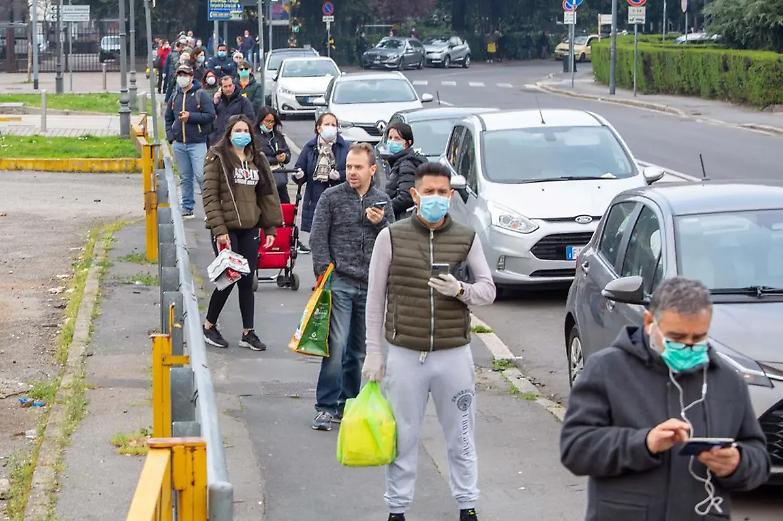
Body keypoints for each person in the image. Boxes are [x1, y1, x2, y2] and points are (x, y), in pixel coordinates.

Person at [560, 277, 770, 521]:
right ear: (650, 322)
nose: (689, 347)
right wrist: (645, 443)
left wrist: (737, 462)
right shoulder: (607, 370)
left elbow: (759, 459)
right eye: (677, 338)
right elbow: (575, 449)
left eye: (698, 338)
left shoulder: (726, 381)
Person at [362, 162, 496, 521]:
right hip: (405, 353)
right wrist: (374, 352)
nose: (436, 198)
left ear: (451, 196)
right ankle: (397, 509)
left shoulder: (466, 237)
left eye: (443, 192)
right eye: (429, 192)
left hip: (453, 354)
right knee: (402, 437)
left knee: (461, 437)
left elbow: (488, 290)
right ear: (415, 195)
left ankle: (468, 506)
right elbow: (375, 299)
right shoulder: (390, 236)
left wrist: (461, 289)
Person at [309, 143, 394, 430]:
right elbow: (318, 238)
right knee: (336, 343)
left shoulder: (382, 201)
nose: (352, 172)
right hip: (341, 281)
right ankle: (325, 405)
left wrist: (380, 224)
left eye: (358, 167)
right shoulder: (332, 197)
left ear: (372, 169)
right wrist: (324, 274)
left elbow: (393, 241)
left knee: (358, 350)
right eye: (348, 166)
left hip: (370, 286)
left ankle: (349, 403)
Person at [202, 114, 282, 351]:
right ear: (229, 134)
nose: (242, 135)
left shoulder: (257, 158)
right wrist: (219, 230)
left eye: (245, 130)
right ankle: (209, 325)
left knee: (248, 280)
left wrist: (269, 227)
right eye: (237, 130)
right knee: (228, 277)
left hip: (250, 228)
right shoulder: (217, 157)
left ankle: (248, 332)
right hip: (226, 230)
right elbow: (209, 195)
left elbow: (267, 194)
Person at [164, 64, 215, 218]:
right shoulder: (175, 96)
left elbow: (210, 115)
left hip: (197, 143)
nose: (182, 77)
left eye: (185, 74)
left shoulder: (201, 94)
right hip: (179, 144)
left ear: (192, 77)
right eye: (179, 74)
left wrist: (190, 117)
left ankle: (211, 210)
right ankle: (187, 207)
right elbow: (168, 118)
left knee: (201, 176)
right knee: (185, 177)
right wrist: (171, 135)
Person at [293, 112, 348, 253]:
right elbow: (299, 171)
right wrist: (299, 175)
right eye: (327, 124)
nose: (331, 127)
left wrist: (340, 175)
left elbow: (354, 172)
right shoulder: (310, 148)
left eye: (333, 125)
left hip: (339, 202)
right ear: (318, 128)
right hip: (316, 201)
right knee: (320, 248)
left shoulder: (345, 147)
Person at [383, 122, 427, 220]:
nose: (392, 141)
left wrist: (385, 209)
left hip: (403, 218)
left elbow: (406, 197)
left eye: (397, 138)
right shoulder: (398, 160)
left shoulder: (406, 163)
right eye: (390, 138)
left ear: (407, 143)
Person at [255, 106, 292, 204]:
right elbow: (256, 157)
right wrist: (275, 159)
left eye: (272, 122)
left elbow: (287, 153)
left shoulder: (278, 136)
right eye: (267, 121)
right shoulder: (254, 136)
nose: (269, 124)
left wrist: (285, 157)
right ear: (260, 120)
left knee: (284, 205)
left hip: (279, 179)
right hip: (263, 178)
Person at [209, 75, 256, 146]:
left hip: (236, 141)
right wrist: (214, 103)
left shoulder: (243, 101)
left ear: (234, 86)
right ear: (221, 88)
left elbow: (250, 120)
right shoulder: (218, 102)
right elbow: (209, 117)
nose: (228, 89)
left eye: (230, 85)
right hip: (219, 140)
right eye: (225, 86)